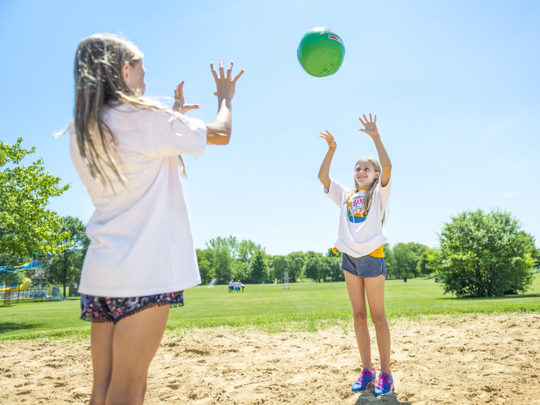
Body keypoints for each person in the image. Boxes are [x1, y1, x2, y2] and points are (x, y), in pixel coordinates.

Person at [70, 33, 243, 405]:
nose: (146, 82)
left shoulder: (82, 129)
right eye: (143, 72)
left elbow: (139, 160)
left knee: (102, 390)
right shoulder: (146, 120)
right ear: (125, 70)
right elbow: (222, 133)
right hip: (144, 273)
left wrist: (174, 120)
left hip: (102, 273)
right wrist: (225, 99)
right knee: (129, 389)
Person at [318, 114, 393, 397]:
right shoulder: (347, 195)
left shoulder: (379, 194)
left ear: (374, 175)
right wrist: (331, 150)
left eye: (366, 168)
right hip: (349, 258)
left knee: (378, 316)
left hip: (372, 257)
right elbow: (322, 178)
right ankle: (367, 370)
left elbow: (387, 165)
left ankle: (386, 374)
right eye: (357, 168)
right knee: (359, 316)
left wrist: (375, 136)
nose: (360, 171)